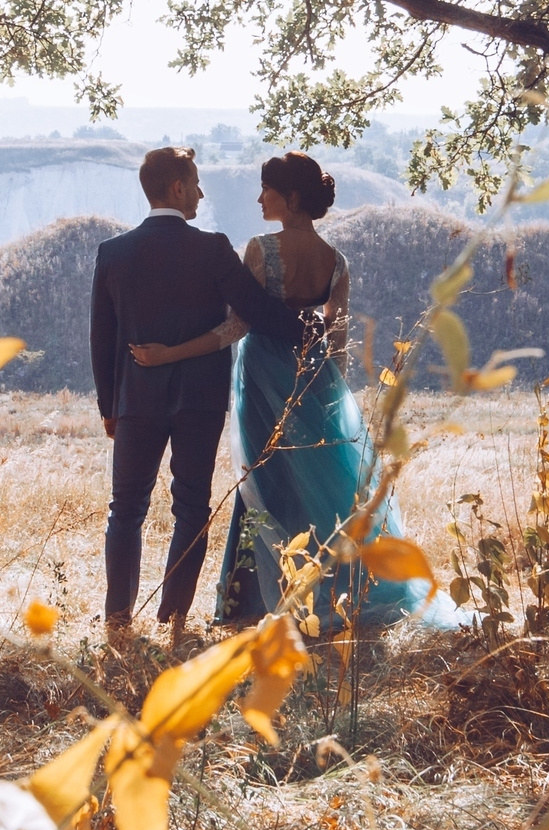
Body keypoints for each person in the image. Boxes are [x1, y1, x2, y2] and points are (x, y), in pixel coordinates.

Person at [126, 151, 445, 634]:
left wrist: (169, 354)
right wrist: (332, 399)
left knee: (263, 481)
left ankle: (251, 604)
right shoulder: (337, 263)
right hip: (316, 379)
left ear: (290, 198)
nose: (259, 198)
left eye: (267, 190)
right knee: (318, 488)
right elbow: (336, 346)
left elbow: (235, 326)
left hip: (263, 376)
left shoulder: (262, 249)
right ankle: (330, 597)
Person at [88, 146, 289, 642]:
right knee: (191, 506)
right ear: (177, 188)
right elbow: (259, 312)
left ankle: (118, 620)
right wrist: (313, 319)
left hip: (135, 399)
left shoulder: (113, 253)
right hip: (200, 401)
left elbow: (102, 338)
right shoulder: (213, 249)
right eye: (196, 182)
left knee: (126, 508)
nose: (201, 191)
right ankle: (175, 618)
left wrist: (109, 408)